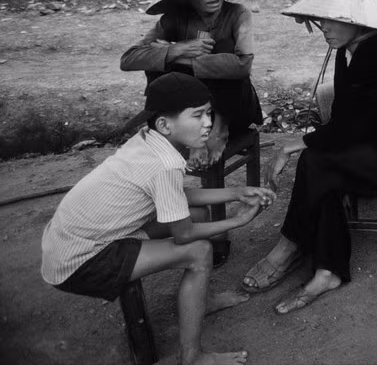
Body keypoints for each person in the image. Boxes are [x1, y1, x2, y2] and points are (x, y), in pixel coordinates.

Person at [41, 73, 276, 365]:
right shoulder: (164, 164)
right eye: (198, 116)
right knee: (199, 251)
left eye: (209, 113)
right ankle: (192, 357)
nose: (208, 123)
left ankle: (198, 301)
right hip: (82, 260)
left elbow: (176, 196)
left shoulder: (148, 141)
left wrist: (237, 192)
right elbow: (184, 235)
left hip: (72, 238)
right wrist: (237, 221)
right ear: (165, 124)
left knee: (199, 214)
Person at [241, 0, 377, 315]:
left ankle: (291, 246)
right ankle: (326, 269)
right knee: (321, 173)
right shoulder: (355, 48)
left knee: (315, 162)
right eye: (321, 21)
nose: (325, 28)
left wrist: (291, 145)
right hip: (371, 143)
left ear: (359, 21)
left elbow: (351, 126)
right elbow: (349, 120)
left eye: (333, 21)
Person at [121, 0, 264, 265]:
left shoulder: (237, 14)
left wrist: (182, 58)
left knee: (224, 63)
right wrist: (176, 49)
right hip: (189, 112)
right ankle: (186, 131)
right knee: (161, 69)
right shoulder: (174, 18)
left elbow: (243, 66)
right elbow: (128, 59)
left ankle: (217, 129)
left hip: (233, 109)